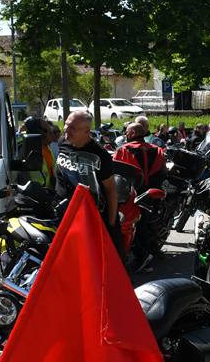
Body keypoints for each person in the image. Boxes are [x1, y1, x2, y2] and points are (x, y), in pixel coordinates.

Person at [57, 110, 120, 253]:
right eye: (66, 125)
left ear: (86, 131)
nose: (66, 130)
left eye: (72, 127)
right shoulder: (63, 142)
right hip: (64, 214)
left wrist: (110, 224)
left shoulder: (100, 155)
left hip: (90, 218)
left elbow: (111, 190)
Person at [113, 122, 167, 271]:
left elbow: (116, 174)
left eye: (127, 133)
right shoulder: (158, 150)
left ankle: (142, 258)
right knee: (148, 223)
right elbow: (163, 172)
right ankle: (152, 251)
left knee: (133, 226)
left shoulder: (124, 150)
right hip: (153, 194)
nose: (125, 135)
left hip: (132, 196)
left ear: (131, 134)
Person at [22, 116, 57, 188]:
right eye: (49, 131)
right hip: (35, 194)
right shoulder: (28, 151)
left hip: (48, 192)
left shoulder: (47, 148)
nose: (52, 134)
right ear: (39, 132)